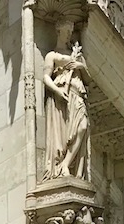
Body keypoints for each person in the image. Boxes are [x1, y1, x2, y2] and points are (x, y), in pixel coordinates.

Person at [42, 20, 90, 180]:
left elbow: (88, 79)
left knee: (83, 127)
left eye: (71, 31)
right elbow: (45, 78)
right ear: (58, 31)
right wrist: (56, 91)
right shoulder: (53, 55)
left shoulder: (76, 54)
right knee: (64, 137)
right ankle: (61, 165)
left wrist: (80, 66)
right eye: (66, 30)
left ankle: (67, 163)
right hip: (63, 96)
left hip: (78, 94)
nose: (69, 34)